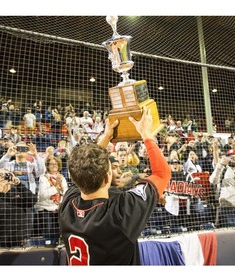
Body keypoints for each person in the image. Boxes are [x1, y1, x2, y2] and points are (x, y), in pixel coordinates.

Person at [59, 107, 171, 265]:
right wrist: (146, 133)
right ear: (107, 178)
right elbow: (162, 174)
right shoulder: (120, 212)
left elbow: (84, 165)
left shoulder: (67, 203)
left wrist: (106, 135)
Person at [0, 168, 38, 250]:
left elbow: (33, 200)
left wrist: (19, 184)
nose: (3, 177)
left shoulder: (20, 192)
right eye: (0, 175)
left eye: (6, 175)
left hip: (18, 241)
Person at [34, 156, 68, 246]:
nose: (54, 166)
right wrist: (56, 187)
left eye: (56, 164)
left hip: (58, 209)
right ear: (47, 166)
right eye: (51, 164)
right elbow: (42, 196)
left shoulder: (62, 178)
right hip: (46, 210)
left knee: (57, 234)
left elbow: (65, 192)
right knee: (48, 235)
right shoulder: (43, 178)